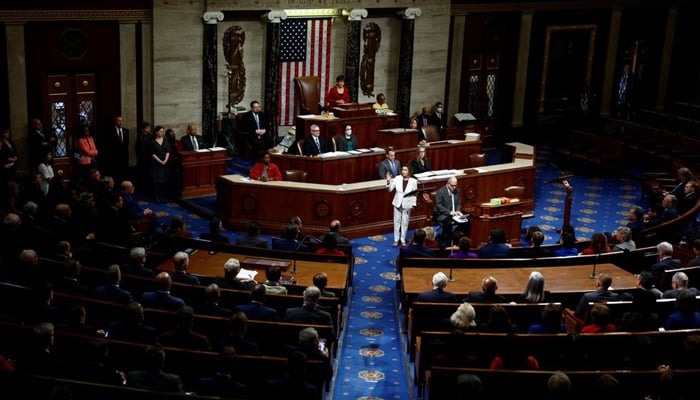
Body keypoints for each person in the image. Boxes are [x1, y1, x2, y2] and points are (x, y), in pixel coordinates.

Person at [386, 165, 417, 247]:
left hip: (407, 204)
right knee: (396, 222)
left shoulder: (413, 181)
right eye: (402, 169)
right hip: (397, 203)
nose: (403, 171)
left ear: (409, 171)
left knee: (405, 223)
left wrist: (413, 204)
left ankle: (402, 239)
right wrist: (388, 181)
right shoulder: (397, 178)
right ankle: (396, 239)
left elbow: (414, 194)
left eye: (405, 170)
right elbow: (390, 190)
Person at [102, 115, 130, 182]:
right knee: (116, 173)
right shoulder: (110, 131)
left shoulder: (126, 131)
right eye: (118, 121)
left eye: (121, 121)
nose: (120, 122)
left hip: (124, 156)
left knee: (124, 173)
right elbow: (108, 145)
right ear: (115, 122)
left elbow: (127, 143)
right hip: (114, 157)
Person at [149, 125, 169, 203]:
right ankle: (156, 197)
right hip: (156, 163)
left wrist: (165, 160)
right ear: (156, 132)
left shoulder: (165, 140)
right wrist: (160, 161)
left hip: (164, 163)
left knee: (163, 181)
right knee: (156, 181)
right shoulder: (152, 142)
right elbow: (152, 154)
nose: (162, 133)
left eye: (162, 131)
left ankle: (161, 196)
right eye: (160, 131)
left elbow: (167, 152)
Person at [134, 121, 152, 188]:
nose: (149, 129)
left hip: (149, 158)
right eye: (147, 128)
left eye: (149, 127)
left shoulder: (150, 136)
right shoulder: (140, 137)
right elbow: (141, 149)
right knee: (143, 174)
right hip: (143, 159)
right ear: (143, 129)